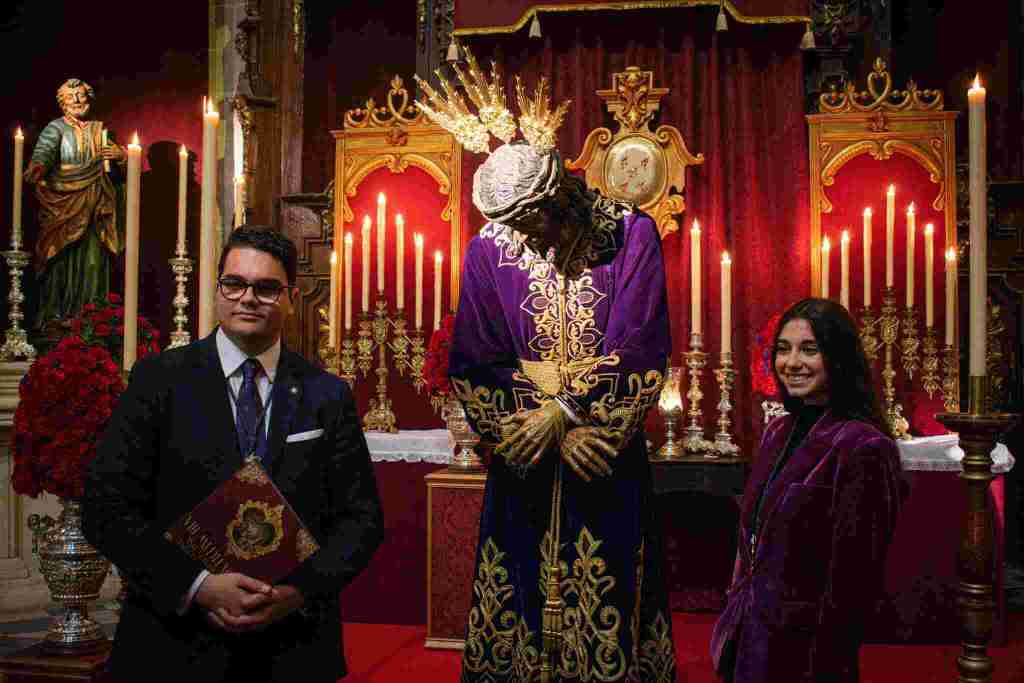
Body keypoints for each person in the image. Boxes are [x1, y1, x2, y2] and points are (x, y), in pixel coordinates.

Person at [418, 51, 677, 682]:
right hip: (525, 461)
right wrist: (535, 428)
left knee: (612, 586)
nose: (523, 238)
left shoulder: (630, 234)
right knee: (519, 590)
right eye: (510, 225)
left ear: (561, 192)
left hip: (604, 455)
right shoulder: (490, 249)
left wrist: (565, 414)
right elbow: (476, 359)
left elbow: (640, 343)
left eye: (530, 220)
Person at [83, 227, 384, 683]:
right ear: (218, 288)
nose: (248, 298)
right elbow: (106, 508)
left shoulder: (327, 395)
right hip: (172, 646)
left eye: (265, 288)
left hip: (293, 649)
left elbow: (361, 521)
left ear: (290, 296)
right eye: (234, 283)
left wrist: (296, 592)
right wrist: (198, 586)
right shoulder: (157, 381)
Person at [710, 298, 904, 682]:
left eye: (809, 349)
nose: (792, 362)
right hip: (749, 641)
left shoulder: (863, 446)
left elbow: (853, 586)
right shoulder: (776, 432)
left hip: (806, 656)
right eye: (783, 349)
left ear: (838, 356)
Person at [24, 78, 126, 326]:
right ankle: (56, 316)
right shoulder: (54, 129)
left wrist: (121, 156)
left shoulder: (99, 130)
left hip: (94, 204)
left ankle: (92, 317)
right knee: (60, 258)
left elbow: (117, 170)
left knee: (93, 261)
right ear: (62, 103)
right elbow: (44, 153)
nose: (78, 101)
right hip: (62, 205)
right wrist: (37, 167)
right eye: (72, 97)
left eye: (82, 95)